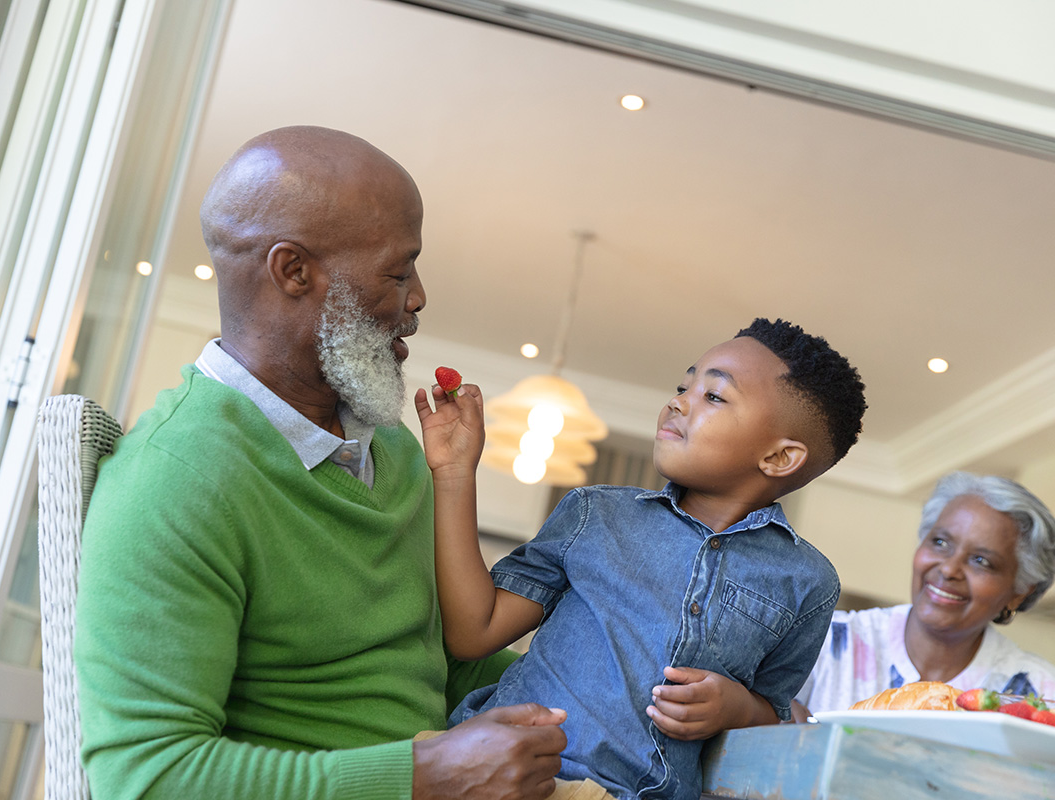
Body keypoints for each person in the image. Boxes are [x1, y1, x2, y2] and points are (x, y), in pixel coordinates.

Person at [74, 126, 569, 800]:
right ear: (294, 271)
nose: (418, 297)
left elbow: (439, 670)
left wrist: (602, 690)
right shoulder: (176, 477)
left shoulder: (393, 451)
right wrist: (426, 777)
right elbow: (147, 777)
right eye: (399, 271)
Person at [415, 318, 868, 800]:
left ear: (779, 458)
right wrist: (455, 472)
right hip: (513, 776)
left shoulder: (809, 583)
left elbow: (773, 716)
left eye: (713, 396)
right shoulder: (595, 514)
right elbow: (473, 631)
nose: (677, 401)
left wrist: (736, 706)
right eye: (683, 385)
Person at [793, 471, 1055, 717]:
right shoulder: (825, 641)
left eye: (981, 561)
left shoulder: (1040, 691)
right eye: (940, 542)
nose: (949, 569)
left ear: (1019, 591)